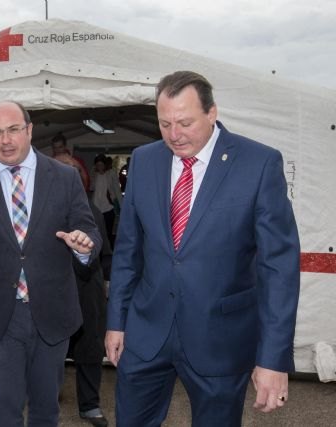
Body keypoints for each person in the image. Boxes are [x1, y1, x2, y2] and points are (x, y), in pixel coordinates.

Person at [105, 71, 300, 426]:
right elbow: (128, 250)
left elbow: (279, 269)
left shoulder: (258, 164)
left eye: (184, 122)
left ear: (212, 113)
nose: (174, 135)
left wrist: (272, 358)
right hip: (147, 335)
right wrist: (117, 321)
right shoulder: (144, 161)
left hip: (221, 341)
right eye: (164, 124)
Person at [0, 101, 102, 426]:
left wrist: (83, 244)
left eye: (13, 130)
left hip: (51, 313)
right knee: (2, 413)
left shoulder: (64, 177)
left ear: (29, 130)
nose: (5, 140)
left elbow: (88, 228)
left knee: (46, 411)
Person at [54, 151, 111, 427]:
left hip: (88, 289)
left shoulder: (94, 212)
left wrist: (110, 284)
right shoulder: (41, 213)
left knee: (89, 349)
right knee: (51, 348)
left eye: (74, 172)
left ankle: (89, 405)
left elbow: (107, 255)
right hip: (54, 292)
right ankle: (47, 397)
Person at [91, 153, 123, 247]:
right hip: (96, 208)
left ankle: (109, 250)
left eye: (101, 165)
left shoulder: (111, 173)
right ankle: (99, 251)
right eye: (97, 165)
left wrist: (122, 206)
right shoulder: (94, 174)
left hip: (108, 207)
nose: (99, 167)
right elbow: (91, 188)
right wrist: (94, 175)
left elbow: (117, 190)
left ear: (105, 164)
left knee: (108, 231)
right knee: (97, 231)